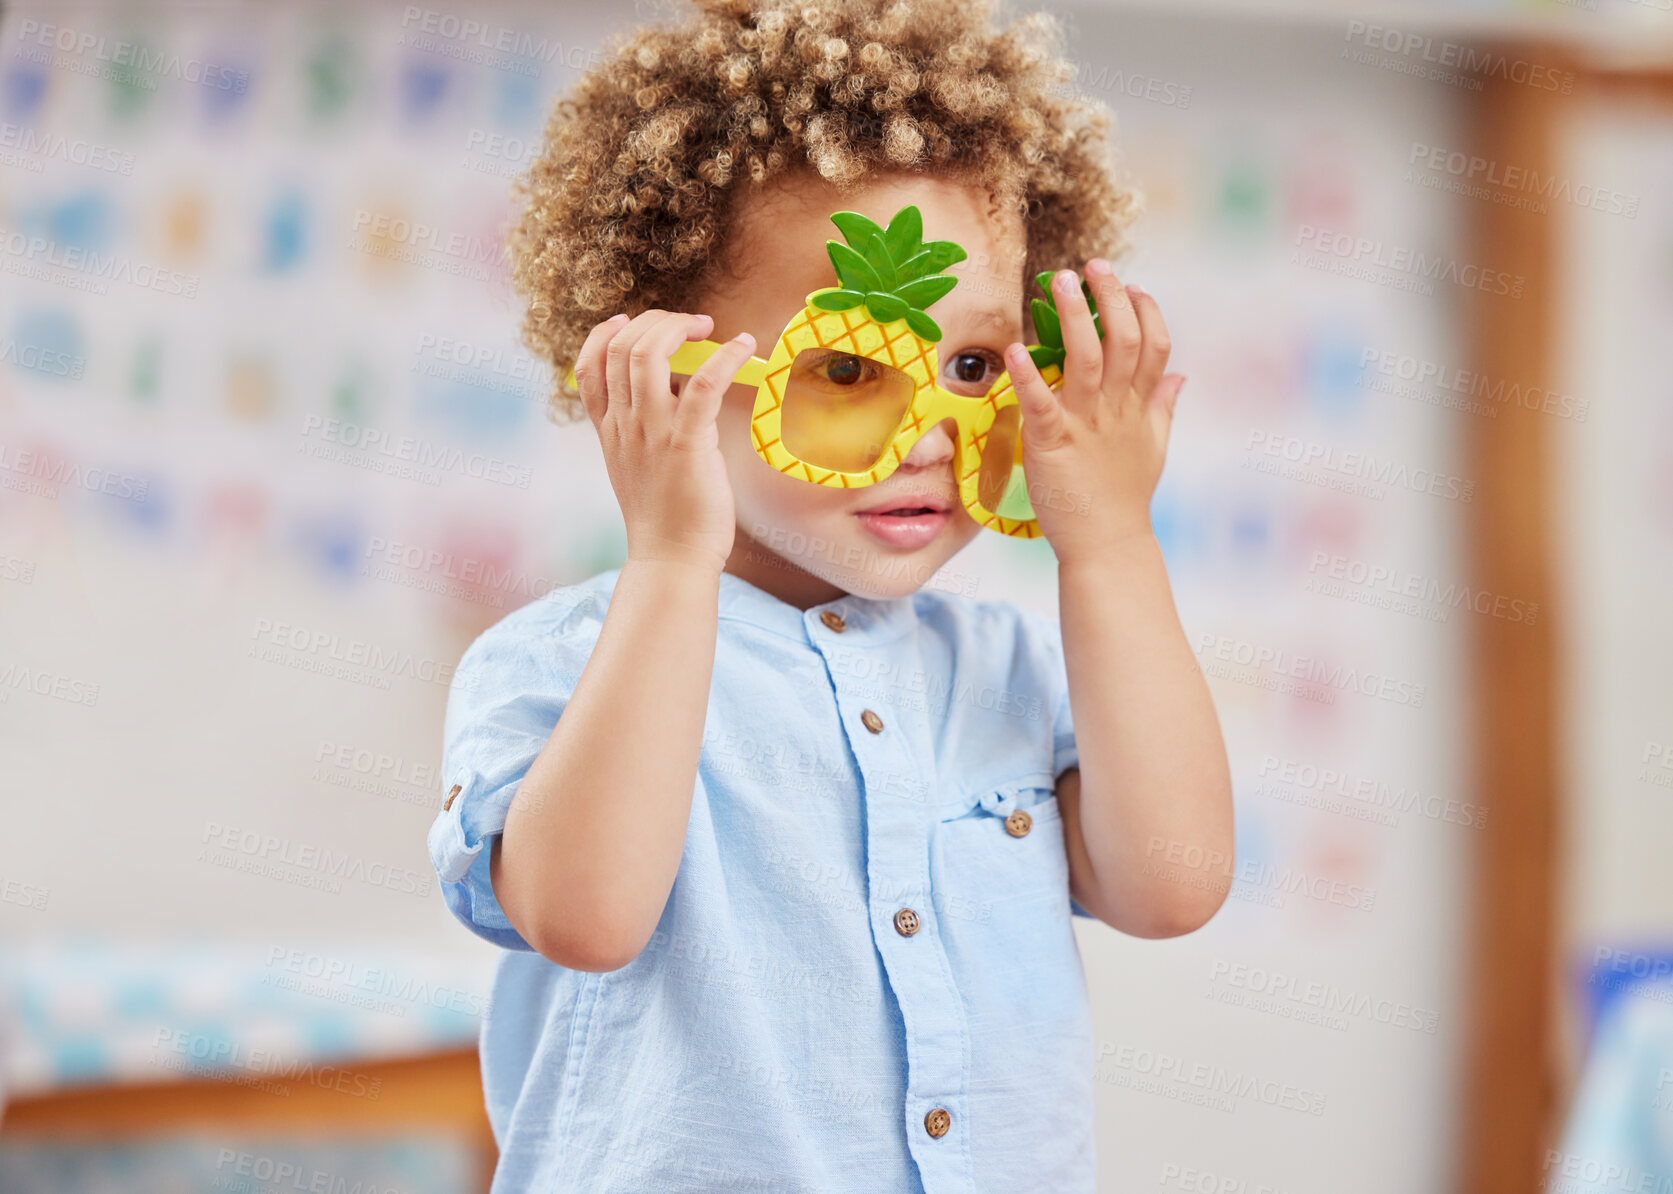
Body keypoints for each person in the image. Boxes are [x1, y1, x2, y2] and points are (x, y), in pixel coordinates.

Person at [426, 0, 1233, 1188]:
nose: (924, 432)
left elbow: (1171, 886)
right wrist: (667, 563)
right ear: (665, 365)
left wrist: (1110, 545)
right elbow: (586, 918)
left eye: (970, 365)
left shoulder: (1008, 669)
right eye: (850, 367)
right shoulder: (555, 661)